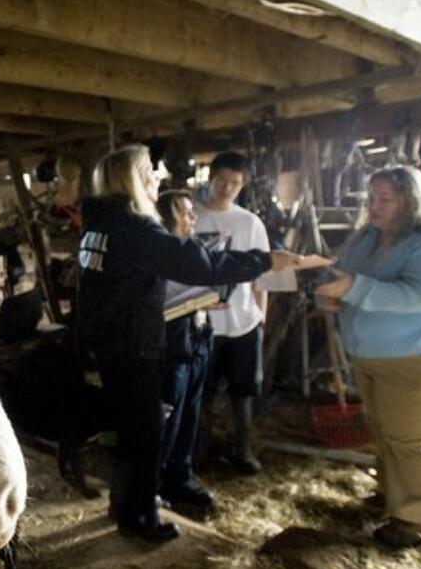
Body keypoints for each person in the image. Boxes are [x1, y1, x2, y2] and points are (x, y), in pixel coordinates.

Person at [77, 145, 300, 542]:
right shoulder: (136, 228)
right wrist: (264, 261)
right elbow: (202, 266)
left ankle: (123, 502)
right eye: (149, 172)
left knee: (128, 430)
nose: (155, 178)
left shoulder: (97, 224)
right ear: (133, 179)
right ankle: (141, 517)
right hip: (134, 342)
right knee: (145, 433)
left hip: (109, 340)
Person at [316, 166, 421, 549]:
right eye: (371, 197)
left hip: (420, 351)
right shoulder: (369, 236)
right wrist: (332, 292)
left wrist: (353, 288)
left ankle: (416, 519)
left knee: (408, 435)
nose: (374, 206)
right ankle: (393, 494)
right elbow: (344, 274)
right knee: (385, 426)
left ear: (412, 201)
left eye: (385, 199)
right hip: (373, 352)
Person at [194, 151, 280, 474]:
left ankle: (241, 450)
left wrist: (261, 318)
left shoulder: (250, 222)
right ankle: (197, 451)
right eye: (221, 181)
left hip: (244, 321)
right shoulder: (194, 218)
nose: (227, 188)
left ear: (242, 186)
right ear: (210, 178)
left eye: (234, 183)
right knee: (201, 390)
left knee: (244, 390)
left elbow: (264, 275)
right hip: (205, 324)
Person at [156, 190, 216, 518]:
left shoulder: (195, 249)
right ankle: (155, 484)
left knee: (190, 413)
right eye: (186, 213)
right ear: (168, 219)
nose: (193, 219)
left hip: (198, 340)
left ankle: (181, 475)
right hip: (173, 347)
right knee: (170, 417)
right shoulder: (161, 254)